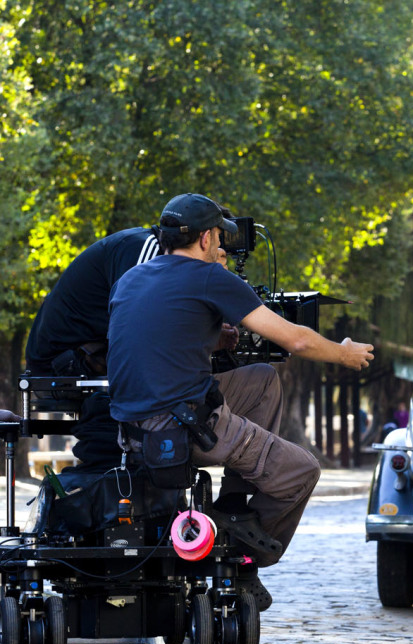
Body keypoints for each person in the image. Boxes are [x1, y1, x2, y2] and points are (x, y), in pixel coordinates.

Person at [106, 193, 374, 608]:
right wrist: (345, 352)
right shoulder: (211, 277)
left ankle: (233, 499)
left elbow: (161, 339)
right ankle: (241, 552)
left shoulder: (131, 279)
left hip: (132, 432)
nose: (223, 248)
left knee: (262, 380)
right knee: (302, 471)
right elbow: (296, 338)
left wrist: (214, 339)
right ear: (206, 238)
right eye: (220, 239)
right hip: (189, 425)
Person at [25, 227, 162, 376]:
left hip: (80, 359)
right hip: (63, 365)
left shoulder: (144, 244)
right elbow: (134, 327)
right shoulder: (146, 248)